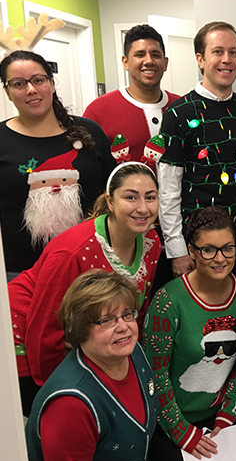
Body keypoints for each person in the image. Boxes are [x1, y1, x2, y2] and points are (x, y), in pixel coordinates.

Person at [10, 162, 161, 415]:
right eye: (131, 197)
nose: (143, 208)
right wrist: (59, 393)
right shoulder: (72, 252)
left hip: (83, 339)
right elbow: (42, 330)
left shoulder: (151, 242)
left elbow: (136, 308)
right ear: (110, 202)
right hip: (26, 341)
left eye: (151, 197)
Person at [143, 206, 236, 461]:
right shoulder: (168, 301)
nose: (220, 258)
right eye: (208, 250)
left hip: (221, 419)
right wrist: (183, 433)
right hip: (171, 423)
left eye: (227, 248)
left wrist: (227, 417)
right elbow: (154, 376)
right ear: (191, 251)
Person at [25, 270, 157, 461]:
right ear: (80, 329)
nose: (123, 327)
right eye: (107, 320)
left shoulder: (133, 353)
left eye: (127, 314)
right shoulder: (71, 405)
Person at [158, 21, 236, 288]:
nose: (226, 60)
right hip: (199, 248)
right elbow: (168, 189)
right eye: (218, 51)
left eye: (233, 52)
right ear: (200, 58)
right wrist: (177, 250)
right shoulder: (177, 114)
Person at [0, 50, 114, 277]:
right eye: (19, 84)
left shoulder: (89, 131)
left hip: (90, 266)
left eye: (38, 80)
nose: (31, 90)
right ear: (8, 92)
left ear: (51, 83)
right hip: (18, 273)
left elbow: (114, 189)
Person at [83, 24, 180, 165]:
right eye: (140, 55)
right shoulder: (98, 111)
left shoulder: (181, 107)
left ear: (165, 63)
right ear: (125, 62)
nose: (149, 61)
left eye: (155, 55)